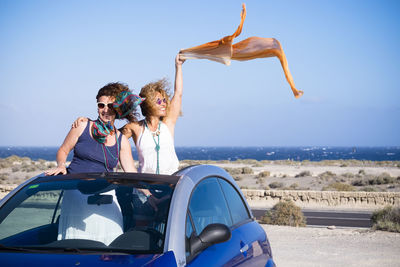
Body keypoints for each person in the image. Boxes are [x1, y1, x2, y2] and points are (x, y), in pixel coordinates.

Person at [45, 83, 139, 245]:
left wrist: (151, 195)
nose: (105, 109)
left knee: (110, 249)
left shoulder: (121, 140)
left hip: (106, 199)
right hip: (76, 197)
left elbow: (131, 172)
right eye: (101, 105)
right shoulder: (82, 125)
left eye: (110, 106)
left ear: (118, 109)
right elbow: (63, 150)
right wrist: (61, 165)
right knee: (75, 249)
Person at [74, 53, 185, 175]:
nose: (163, 103)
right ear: (148, 103)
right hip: (146, 185)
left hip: (170, 184)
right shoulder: (135, 127)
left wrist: (178, 66)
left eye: (164, 100)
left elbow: (178, 93)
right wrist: (89, 122)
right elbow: (108, 134)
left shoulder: (168, 124)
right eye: (159, 101)